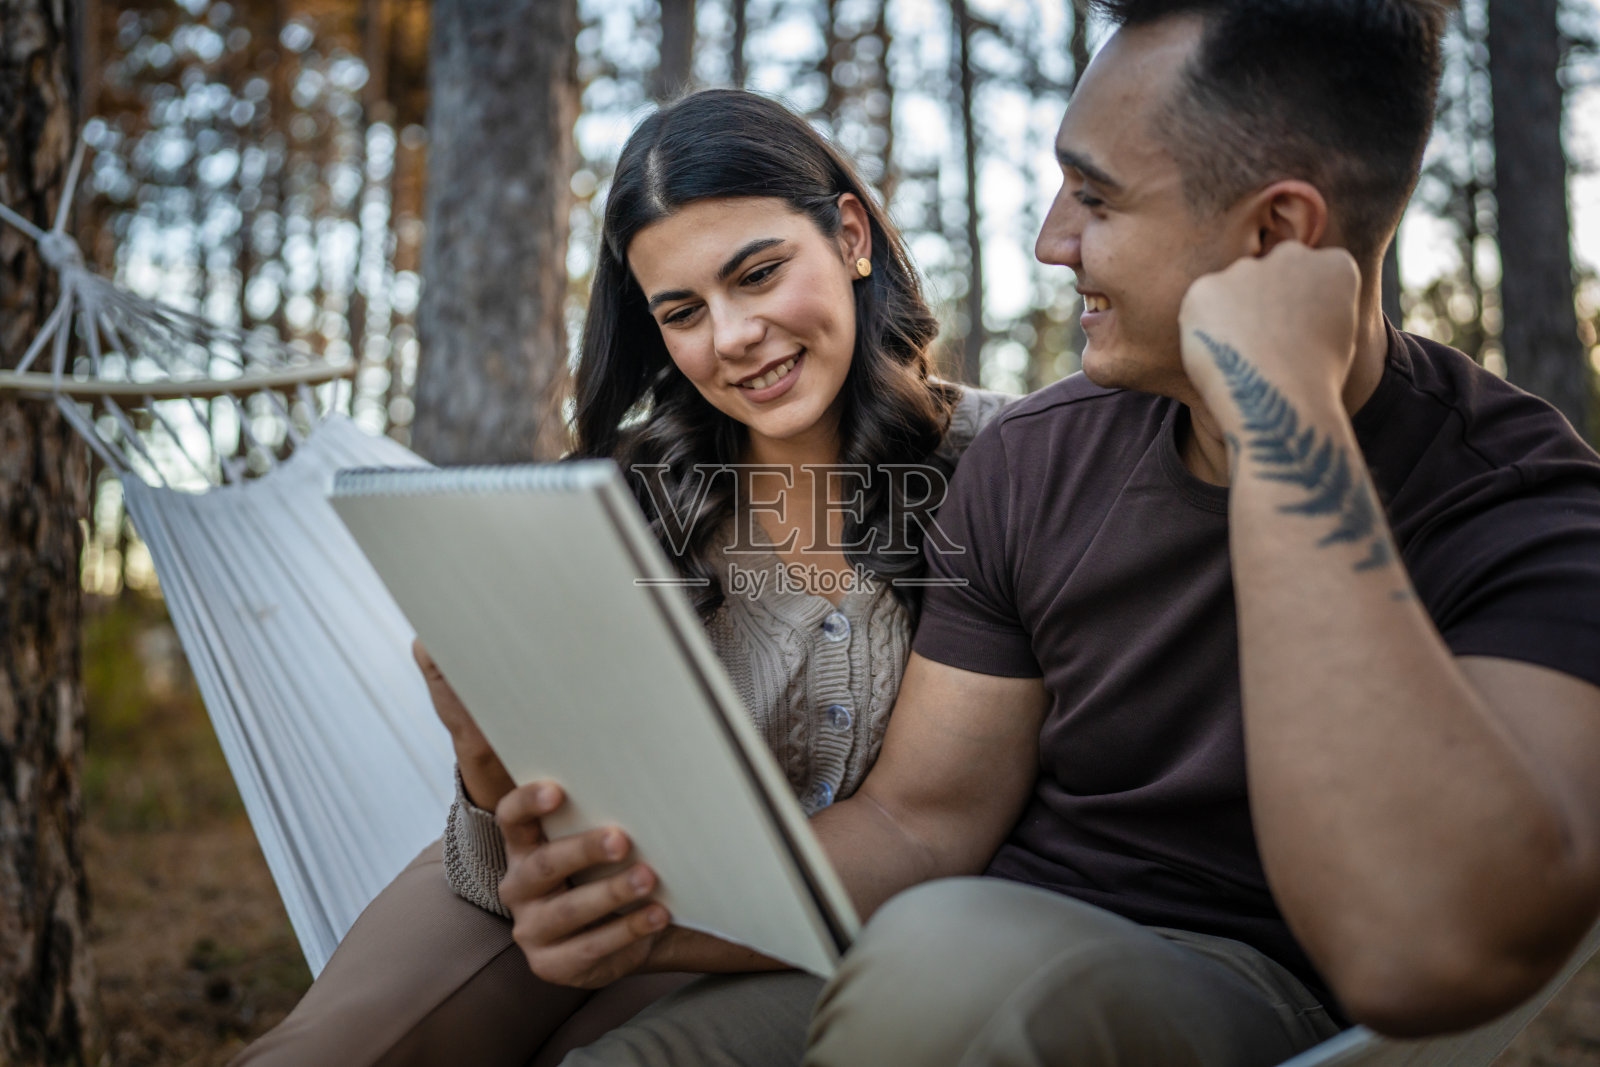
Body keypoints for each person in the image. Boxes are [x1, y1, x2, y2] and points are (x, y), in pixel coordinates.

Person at [492, 2, 1600, 1065]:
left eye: (1096, 200)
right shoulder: (1033, 457)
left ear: (1276, 236)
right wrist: (648, 907)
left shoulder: (1522, 507)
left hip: (1235, 990)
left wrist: (1278, 410)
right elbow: (920, 825)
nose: (1049, 240)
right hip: (951, 945)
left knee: (950, 971)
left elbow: (1429, 951)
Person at [232, 88, 1012, 1067]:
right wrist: (487, 761)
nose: (731, 336)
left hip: (786, 927)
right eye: (682, 312)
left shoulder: (1006, 460)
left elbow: (940, 824)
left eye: (758, 274)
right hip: (557, 878)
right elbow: (507, 846)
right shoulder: (617, 496)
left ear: (850, 236)